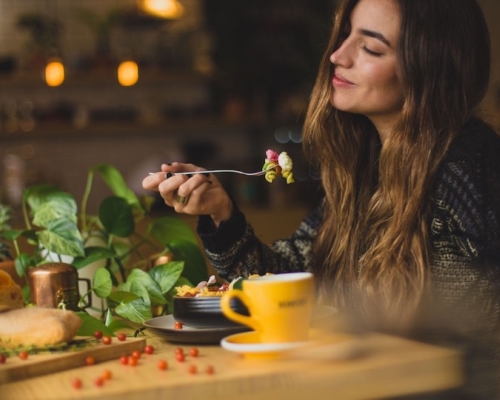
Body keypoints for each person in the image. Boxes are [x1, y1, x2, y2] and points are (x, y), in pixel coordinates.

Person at [144, 0, 500, 396]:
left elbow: (470, 340)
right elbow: (292, 278)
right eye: (346, 33)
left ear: (431, 71)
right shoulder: (368, 168)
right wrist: (220, 214)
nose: (337, 55)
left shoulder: (467, 170)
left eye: (371, 48)